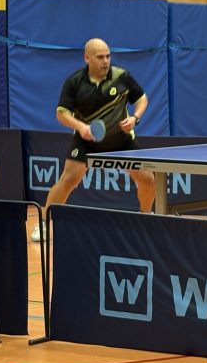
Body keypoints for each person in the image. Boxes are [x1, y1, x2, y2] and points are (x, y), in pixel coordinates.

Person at [32, 38, 154, 241]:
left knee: (147, 178)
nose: (106, 61)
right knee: (68, 180)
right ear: (87, 58)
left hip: (121, 139)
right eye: (100, 57)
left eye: (108, 56)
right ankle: (44, 222)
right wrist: (81, 127)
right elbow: (61, 114)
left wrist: (135, 118)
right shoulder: (74, 82)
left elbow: (142, 99)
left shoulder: (121, 76)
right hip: (87, 140)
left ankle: (146, 217)